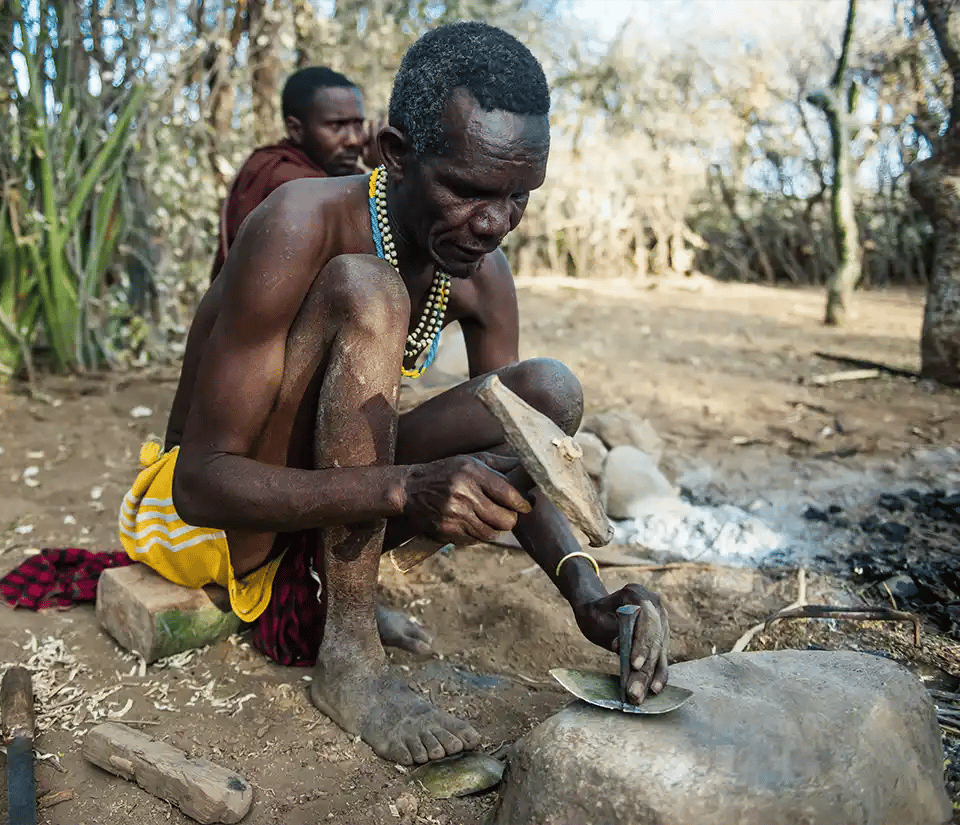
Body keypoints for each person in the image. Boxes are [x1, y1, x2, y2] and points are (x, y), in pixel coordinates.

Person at [120, 21, 671, 766]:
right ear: (398, 154)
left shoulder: (480, 271)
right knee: (369, 287)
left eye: (519, 197)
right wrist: (404, 489)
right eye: (471, 190)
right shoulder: (298, 224)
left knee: (545, 391)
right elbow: (198, 486)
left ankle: (339, 586)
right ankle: (347, 653)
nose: (494, 224)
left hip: (318, 491)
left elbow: (518, 447)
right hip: (212, 525)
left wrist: (586, 592)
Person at [209, 66, 374, 281]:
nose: (354, 139)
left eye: (358, 125)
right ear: (296, 130)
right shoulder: (282, 176)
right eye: (337, 126)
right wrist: (388, 170)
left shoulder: (342, 174)